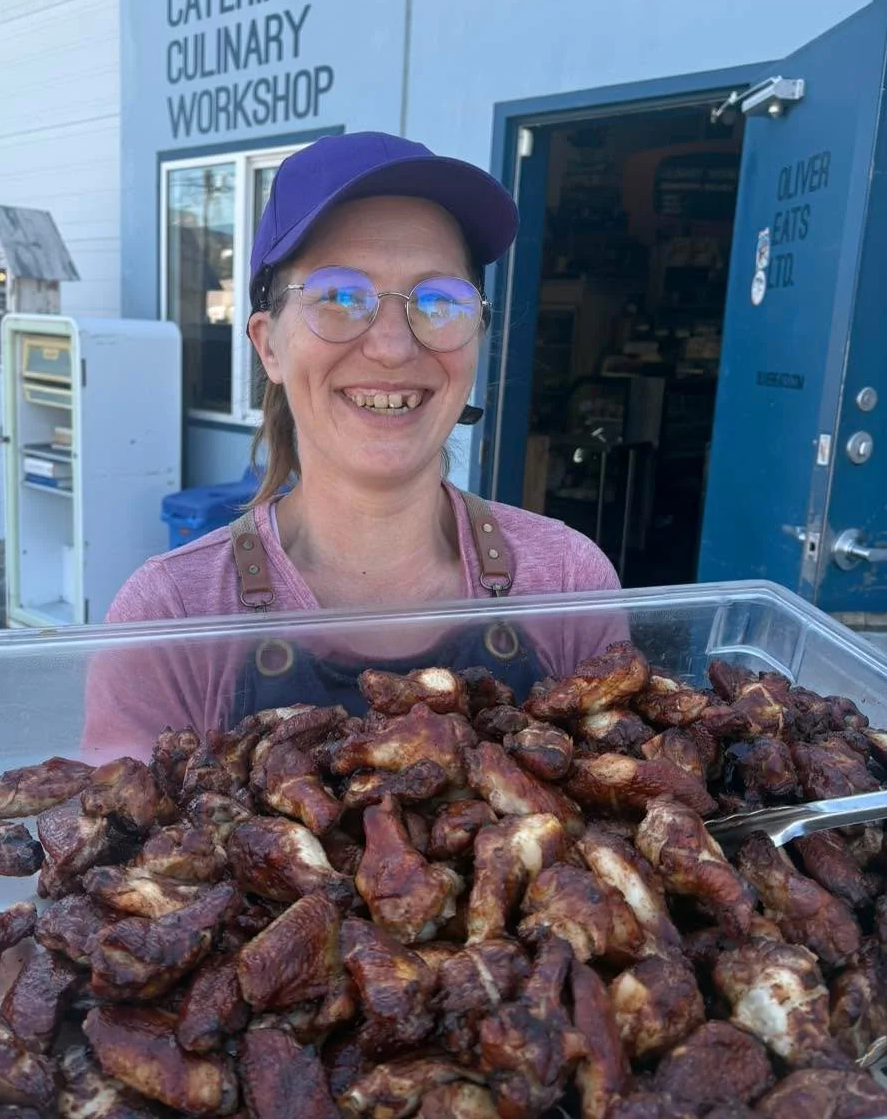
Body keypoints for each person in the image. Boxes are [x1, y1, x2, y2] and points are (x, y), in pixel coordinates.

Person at [83, 132, 621, 757]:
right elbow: (120, 841)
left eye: (438, 300)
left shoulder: (565, 581)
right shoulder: (173, 616)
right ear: (269, 344)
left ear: (476, 337)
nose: (393, 347)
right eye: (339, 296)